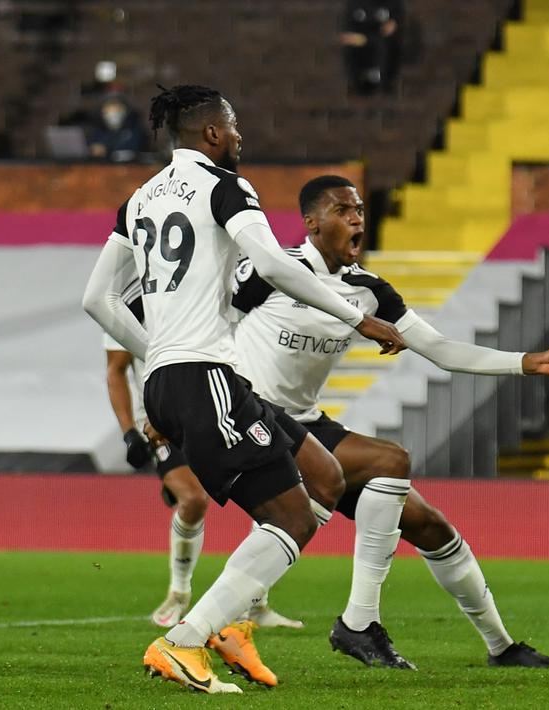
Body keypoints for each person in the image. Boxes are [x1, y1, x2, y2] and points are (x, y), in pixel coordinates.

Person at [82, 84, 406, 693]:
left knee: (326, 479)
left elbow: (94, 298)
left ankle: (227, 626)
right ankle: (185, 640)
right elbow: (279, 265)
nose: (238, 137)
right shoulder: (226, 187)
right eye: (232, 127)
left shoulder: (140, 198)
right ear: (210, 134)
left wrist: (158, 357)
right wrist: (356, 316)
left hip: (193, 375)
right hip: (204, 375)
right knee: (291, 515)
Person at [227, 174, 549, 669]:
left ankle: (502, 648)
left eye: (360, 208)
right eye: (343, 210)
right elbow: (210, 321)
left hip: (306, 424)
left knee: (429, 525)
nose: (358, 217)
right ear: (312, 224)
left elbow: (441, 350)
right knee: (390, 461)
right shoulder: (271, 270)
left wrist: (528, 362)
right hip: (253, 415)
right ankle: (358, 623)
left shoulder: (367, 291)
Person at [100, 280, 304, 630]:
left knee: (268, 493)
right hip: (162, 419)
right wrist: (129, 433)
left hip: (213, 407)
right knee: (193, 499)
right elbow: (116, 369)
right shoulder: (130, 299)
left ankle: (255, 600)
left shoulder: (205, 283)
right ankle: (179, 591)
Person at [339, 0, 404, 95]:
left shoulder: (392, 3)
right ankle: (356, 82)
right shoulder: (354, 3)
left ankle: (383, 83)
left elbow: (395, 21)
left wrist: (394, 23)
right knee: (352, 48)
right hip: (359, 37)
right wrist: (352, 36)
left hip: (382, 39)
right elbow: (346, 30)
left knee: (383, 46)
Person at [87, 94, 149, 162]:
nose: (113, 115)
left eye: (117, 111)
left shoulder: (134, 129)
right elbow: (91, 146)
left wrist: (107, 150)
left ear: (125, 112)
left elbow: (134, 150)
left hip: (131, 168)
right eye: (108, 112)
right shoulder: (98, 130)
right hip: (102, 167)